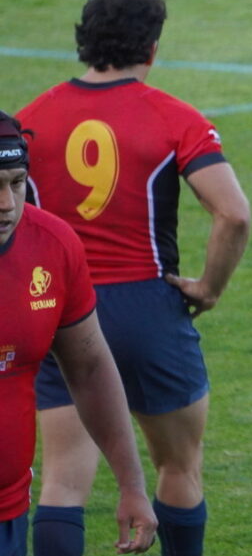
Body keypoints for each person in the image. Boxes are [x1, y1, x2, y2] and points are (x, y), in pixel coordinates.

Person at [16, 0, 251, 556]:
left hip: (61, 311)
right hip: (148, 310)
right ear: (152, 48)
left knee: (63, 482)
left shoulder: (30, 120)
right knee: (178, 466)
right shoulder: (174, 117)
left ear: (83, 40)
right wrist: (209, 288)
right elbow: (234, 214)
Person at [0, 112, 157, 556]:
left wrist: (131, 484)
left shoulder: (52, 246)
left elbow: (89, 368)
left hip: (7, 512)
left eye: (16, 183)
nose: (7, 204)